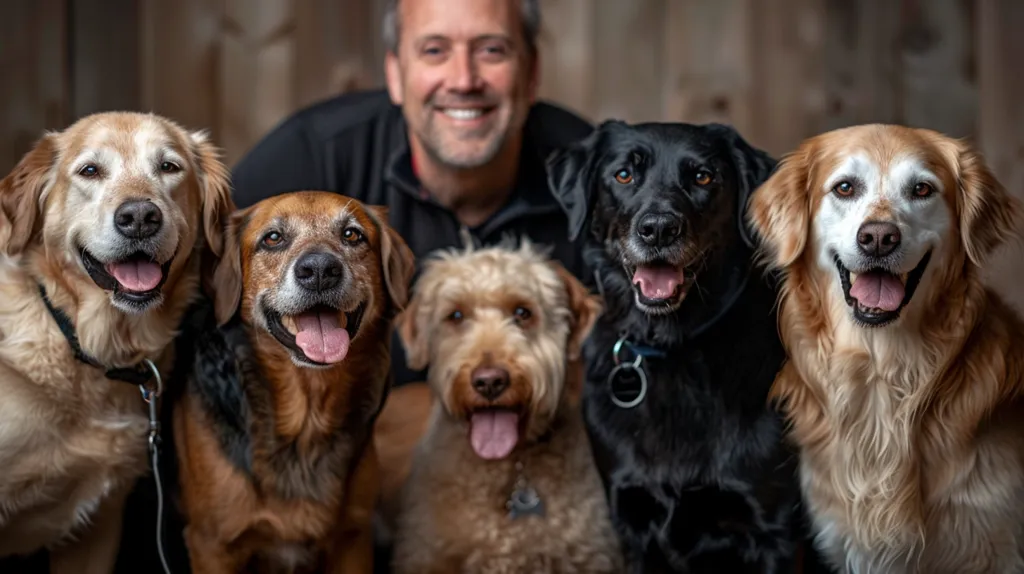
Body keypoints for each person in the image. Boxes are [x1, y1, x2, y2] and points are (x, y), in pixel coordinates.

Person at [230, 0, 594, 387]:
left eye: (492, 50)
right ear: (395, 73)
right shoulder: (309, 154)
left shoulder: (596, 176)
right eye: (434, 50)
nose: (463, 80)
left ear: (532, 71)